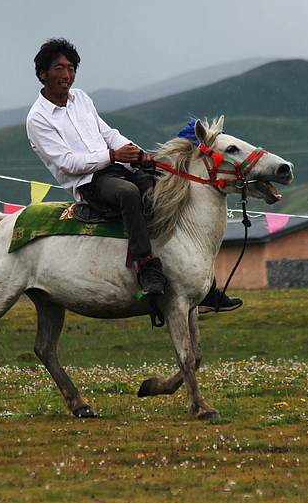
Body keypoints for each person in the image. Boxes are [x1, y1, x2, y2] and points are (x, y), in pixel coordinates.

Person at [25, 38, 242, 310]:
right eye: (59, 68)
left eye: (71, 68)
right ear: (43, 74)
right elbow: (68, 163)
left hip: (115, 166)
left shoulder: (81, 98)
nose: (67, 75)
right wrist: (113, 156)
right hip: (89, 182)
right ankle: (147, 267)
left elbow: (108, 134)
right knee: (128, 194)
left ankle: (203, 285)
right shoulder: (37, 119)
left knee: (166, 188)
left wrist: (137, 153)